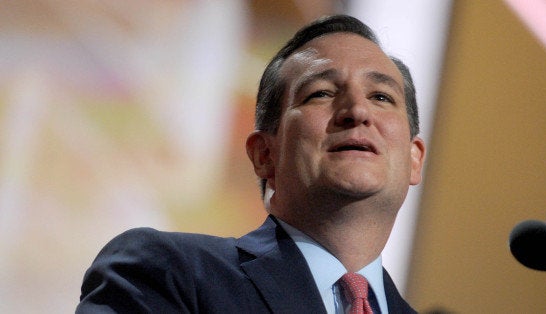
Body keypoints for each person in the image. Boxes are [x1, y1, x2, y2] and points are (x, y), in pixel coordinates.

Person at [76, 14, 426, 314]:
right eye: (320, 93)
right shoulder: (166, 272)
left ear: (414, 158)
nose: (357, 112)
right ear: (264, 154)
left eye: (381, 96)